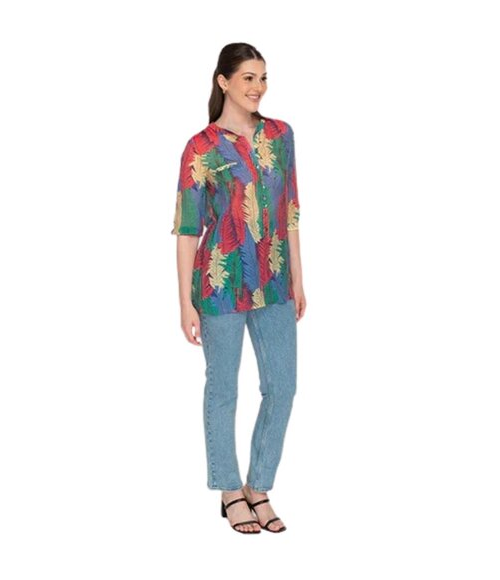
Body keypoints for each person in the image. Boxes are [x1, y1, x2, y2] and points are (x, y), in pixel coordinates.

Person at [171, 42, 306, 534]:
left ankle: (259, 485)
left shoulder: (281, 135)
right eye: (248, 77)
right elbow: (188, 228)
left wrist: (298, 276)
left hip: (275, 281)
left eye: (263, 77)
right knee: (223, 388)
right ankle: (230, 490)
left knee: (282, 386)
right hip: (220, 283)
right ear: (224, 81)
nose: (258, 87)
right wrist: (184, 302)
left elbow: (290, 210)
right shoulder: (201, 147)